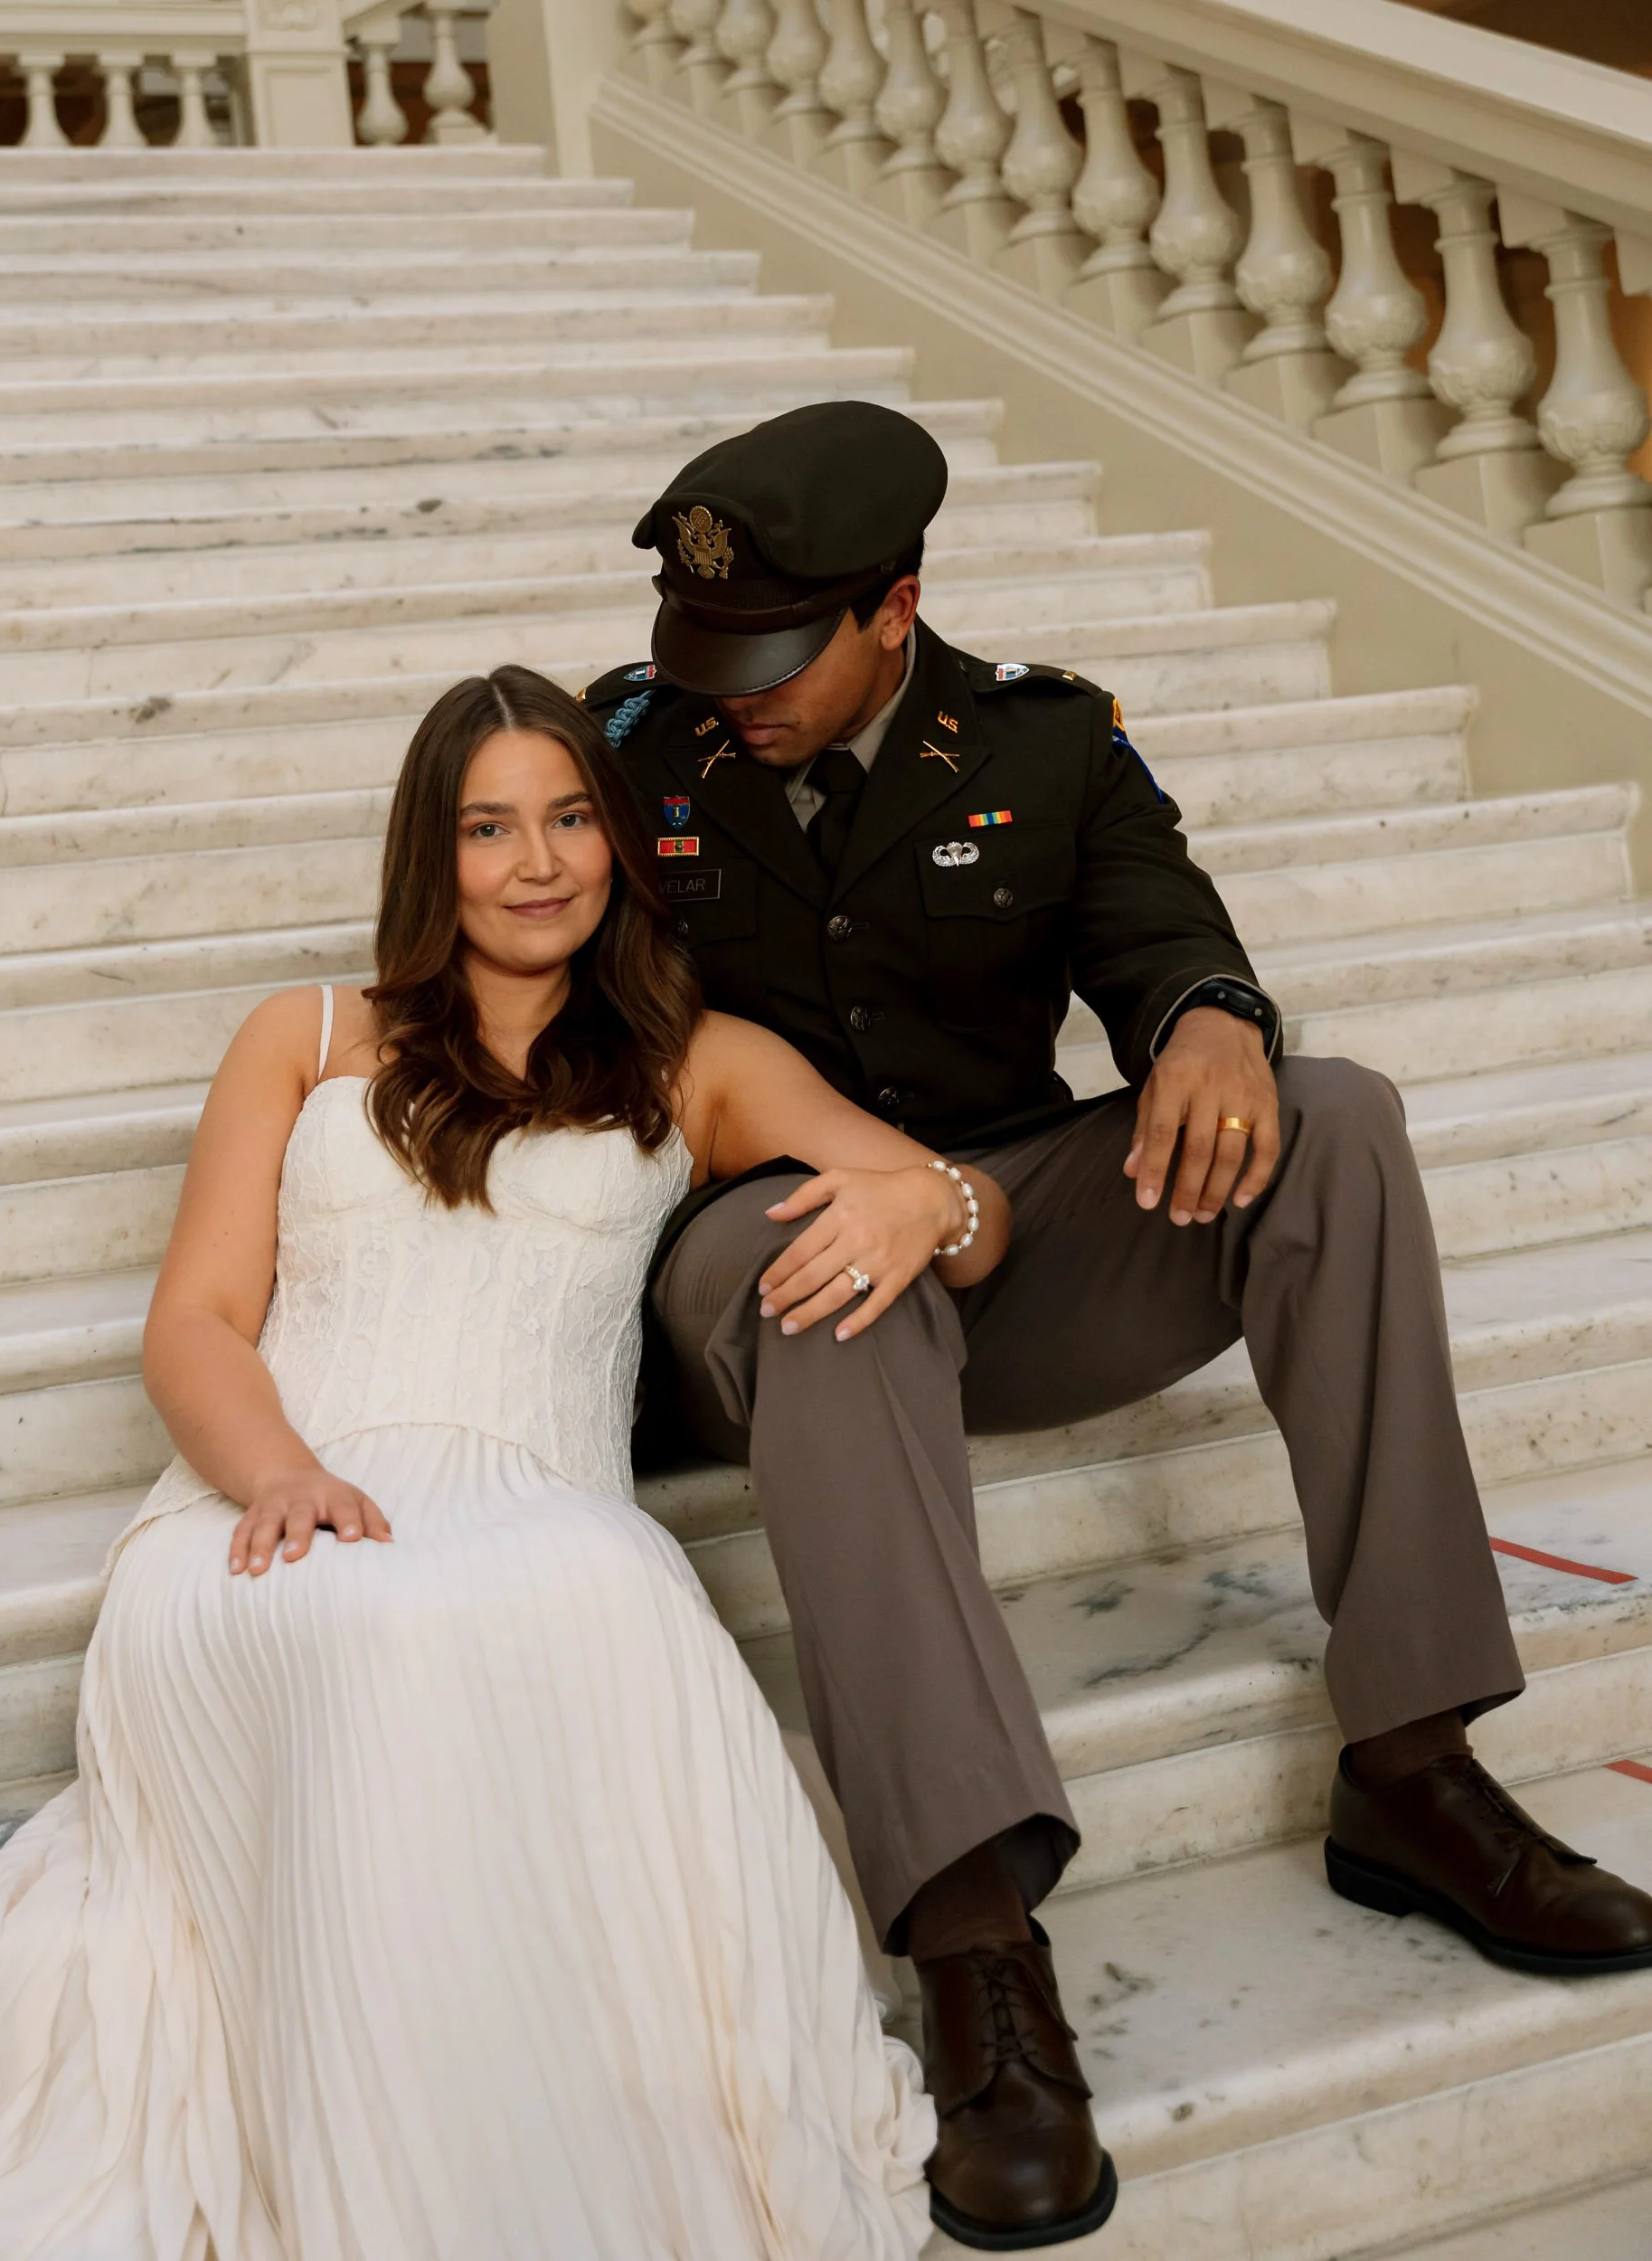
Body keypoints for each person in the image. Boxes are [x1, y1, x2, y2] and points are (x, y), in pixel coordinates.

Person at [584, 399, 1652, 2252]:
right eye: (706, 651)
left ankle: (1411, 1758)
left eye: (771, 653)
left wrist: (1216, 1016)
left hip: (1000, 1238)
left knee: (1337, 1120)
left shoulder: (1045, 745)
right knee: (827, 1257)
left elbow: (1165, 934)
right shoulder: (630, 750)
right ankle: (977, 1944)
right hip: (749, 1262)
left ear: (893, 609)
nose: (728, 689)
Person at [0, 664, 1035, 2259]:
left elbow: (964, 1214)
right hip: (267, 1508)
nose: (535, 863)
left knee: (594, 1606)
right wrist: (274, 1471)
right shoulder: (308, 1036)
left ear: (618, 843)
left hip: (544, 1504)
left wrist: (930, 1204)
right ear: (433, 851)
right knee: (384, 1626)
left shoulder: (701, 1061)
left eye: (567, 820)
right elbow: (194, 1321)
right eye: (489, 827)